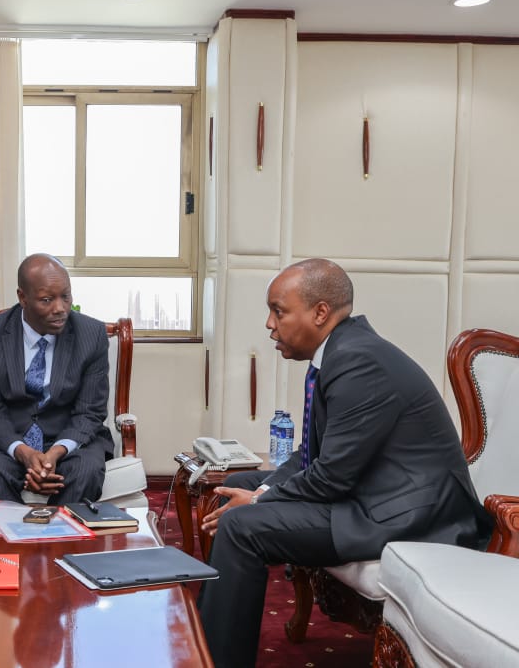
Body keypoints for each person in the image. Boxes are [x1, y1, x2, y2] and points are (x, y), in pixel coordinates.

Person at [197, 258, 492, 668]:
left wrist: (260, 503)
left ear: (320, 313)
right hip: (370, 492)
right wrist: (261, 489)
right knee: (242, 480)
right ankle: (207, 630)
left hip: (402, 514)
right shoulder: (338, 353)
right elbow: (309, 455)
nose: (269, 324)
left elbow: (331, 476)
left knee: (240, 525)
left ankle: (217, 659)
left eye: (278, 311)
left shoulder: (358, 362)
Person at [0, 253, 113, 504]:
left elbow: (90, 412)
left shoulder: (91, 335)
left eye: (66, 296)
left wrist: (55, 453)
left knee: (86, 470)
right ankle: (9, 544)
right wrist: (24, 452)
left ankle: (64, 543)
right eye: (47, 300)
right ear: (22, 297)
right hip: (9, 438)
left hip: (68, 438)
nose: (60, 308)